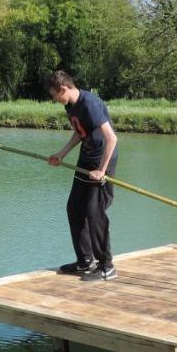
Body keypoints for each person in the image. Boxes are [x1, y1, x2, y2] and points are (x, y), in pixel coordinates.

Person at [45, 70, 119, 281]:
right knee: (74, 207)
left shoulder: (90, 103)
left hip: (102, 159)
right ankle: (85, 261)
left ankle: (107, 266)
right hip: (86, 158)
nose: (54, 99)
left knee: (94, 211)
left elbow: (112, 139)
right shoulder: (71, 105)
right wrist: (61, 154)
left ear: (64, 89)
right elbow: (80, 132)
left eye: (55, 95)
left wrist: (102, 170)